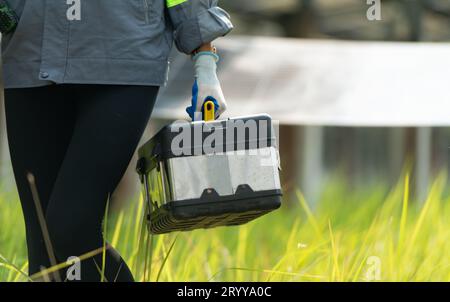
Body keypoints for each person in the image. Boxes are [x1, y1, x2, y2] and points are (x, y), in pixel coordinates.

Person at [1, 0, 232, 282]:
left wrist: (205, 61)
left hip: (124, 56)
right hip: (31, 52)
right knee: (43, 251)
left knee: (71, 227)